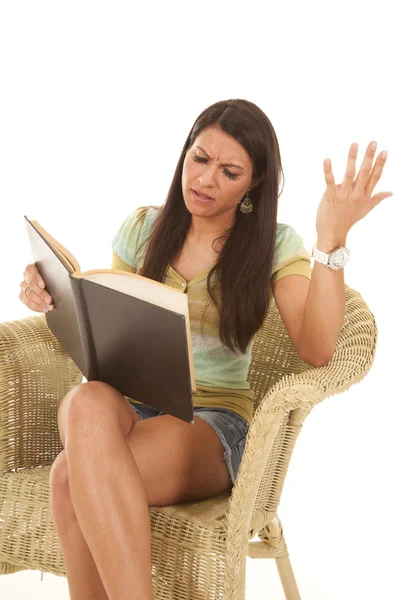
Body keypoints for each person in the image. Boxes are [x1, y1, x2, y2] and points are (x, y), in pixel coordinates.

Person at [19, 98, 392, 600]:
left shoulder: (274, 246)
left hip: (211, 420)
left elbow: (317, 348)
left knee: (68, 478)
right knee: (84, 400)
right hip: (128, 405)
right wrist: (50, 296)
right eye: (199, 158)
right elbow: (104, 329)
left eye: (229, 171)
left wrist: (332, 238)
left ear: (254, 183)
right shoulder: (141, 229)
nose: (206, 180)